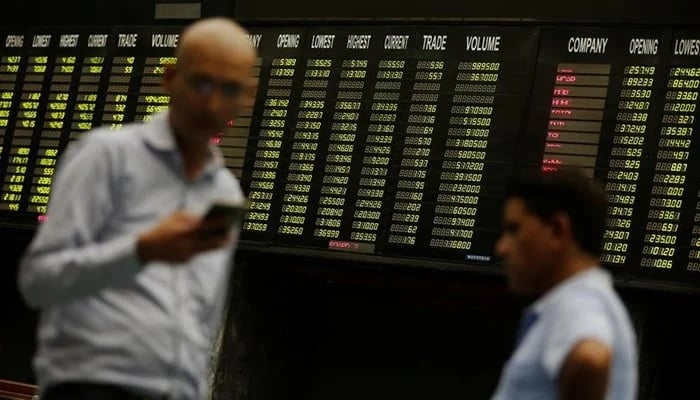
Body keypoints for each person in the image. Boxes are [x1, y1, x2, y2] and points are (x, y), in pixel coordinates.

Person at [18, 17, 256, 400]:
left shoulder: (224, 190)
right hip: (90, 387)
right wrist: (139, 251)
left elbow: (201, 317)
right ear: (170, 78)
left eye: (229, 89)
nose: (212, 103)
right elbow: (38, 281)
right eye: (201, 83)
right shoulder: (106, 157)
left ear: (247, 96)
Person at [491, 168, 638, 400]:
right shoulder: (586, 299)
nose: (502, 247)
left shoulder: (578, 303)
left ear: (557, 230)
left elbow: (591, 359)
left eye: (514, 230)